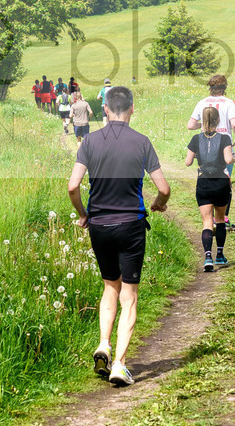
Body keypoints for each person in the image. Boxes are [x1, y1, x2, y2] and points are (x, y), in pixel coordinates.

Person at [68, 86, 171, 386]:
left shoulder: (89, 141)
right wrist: (159, 204)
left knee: (109, 287)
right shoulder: (141, 142)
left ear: (105, 110)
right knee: (130, 295)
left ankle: (103, 344)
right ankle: (120, 365)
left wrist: (83, 214)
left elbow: (73, 187)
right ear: (132, 109)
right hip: (131, 226)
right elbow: (163, 188)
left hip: (99, 225)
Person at [187, 74, 235, 231]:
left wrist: (204, 125)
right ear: (224, 88)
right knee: (225, 181)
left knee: (207, 179)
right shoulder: (229, 103)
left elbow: (190, 125)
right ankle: (223, 219)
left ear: (210, 88)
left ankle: (208, 220)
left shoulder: (202, 102)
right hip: (224, 144)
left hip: (205, 144)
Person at [185, 106, 234, 272]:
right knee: (219, 220)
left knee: (207, 221)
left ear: (202, 121)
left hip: (203, 182)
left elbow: (187, 162)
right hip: (220, 182)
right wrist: (234, 157)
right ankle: (220, 255)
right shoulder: (225, 138)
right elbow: (228, 159)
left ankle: (207, 257)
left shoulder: (195, 139)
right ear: (218, 120)